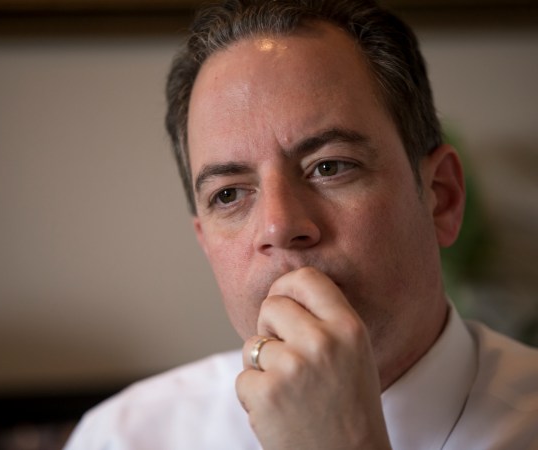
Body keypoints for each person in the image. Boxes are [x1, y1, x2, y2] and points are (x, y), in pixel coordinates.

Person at [65, 0, 538, 448]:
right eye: (228, 194)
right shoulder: (121, 437)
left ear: (442, 198)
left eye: (329, 166)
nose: (278, 226)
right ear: (206, 244)